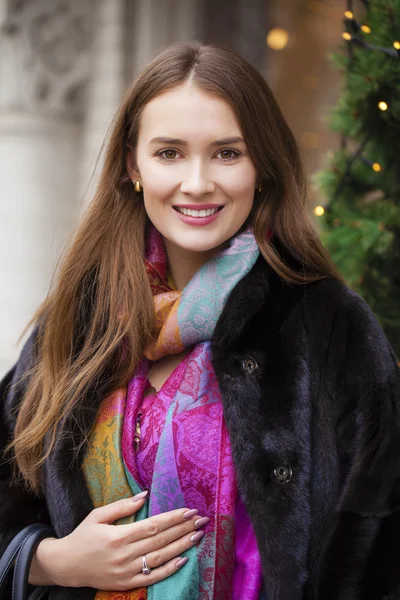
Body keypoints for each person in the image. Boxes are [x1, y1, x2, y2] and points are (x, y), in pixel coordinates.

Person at [1, 40, 400, 600]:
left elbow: (378, 551)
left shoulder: (330, 328)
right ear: (131, 165)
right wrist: (51, 561)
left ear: (263, 166)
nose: (197, 182)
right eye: (169, 153)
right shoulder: (78, 324)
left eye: (227, 153)